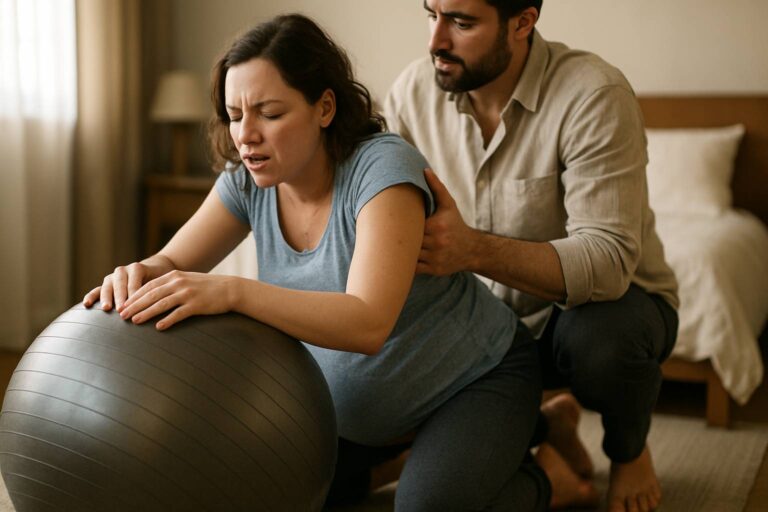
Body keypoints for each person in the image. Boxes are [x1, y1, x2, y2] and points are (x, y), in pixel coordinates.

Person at [84, 13, 553, 511]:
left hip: (476, 379)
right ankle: (443, 452)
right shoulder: (247, 180)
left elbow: (367, 322)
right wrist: (138, 272)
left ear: (324, 107)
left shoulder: (383, 170)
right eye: (235, 114)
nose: (246, 135)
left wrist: (233, 290)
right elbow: (172, 259)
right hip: (359, 415)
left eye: (269, 112)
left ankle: (550, 478)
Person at [383, 1, 679, 511]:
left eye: (461, 22)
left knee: (607, 342)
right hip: (484, 329)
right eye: (431, 13)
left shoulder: (594, 94)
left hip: (597, 314)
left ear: (522, 21)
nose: (435, 40)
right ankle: (549, 425)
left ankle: (628, 448)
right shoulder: (411, 93)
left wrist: (472, 248)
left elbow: (607, 263)